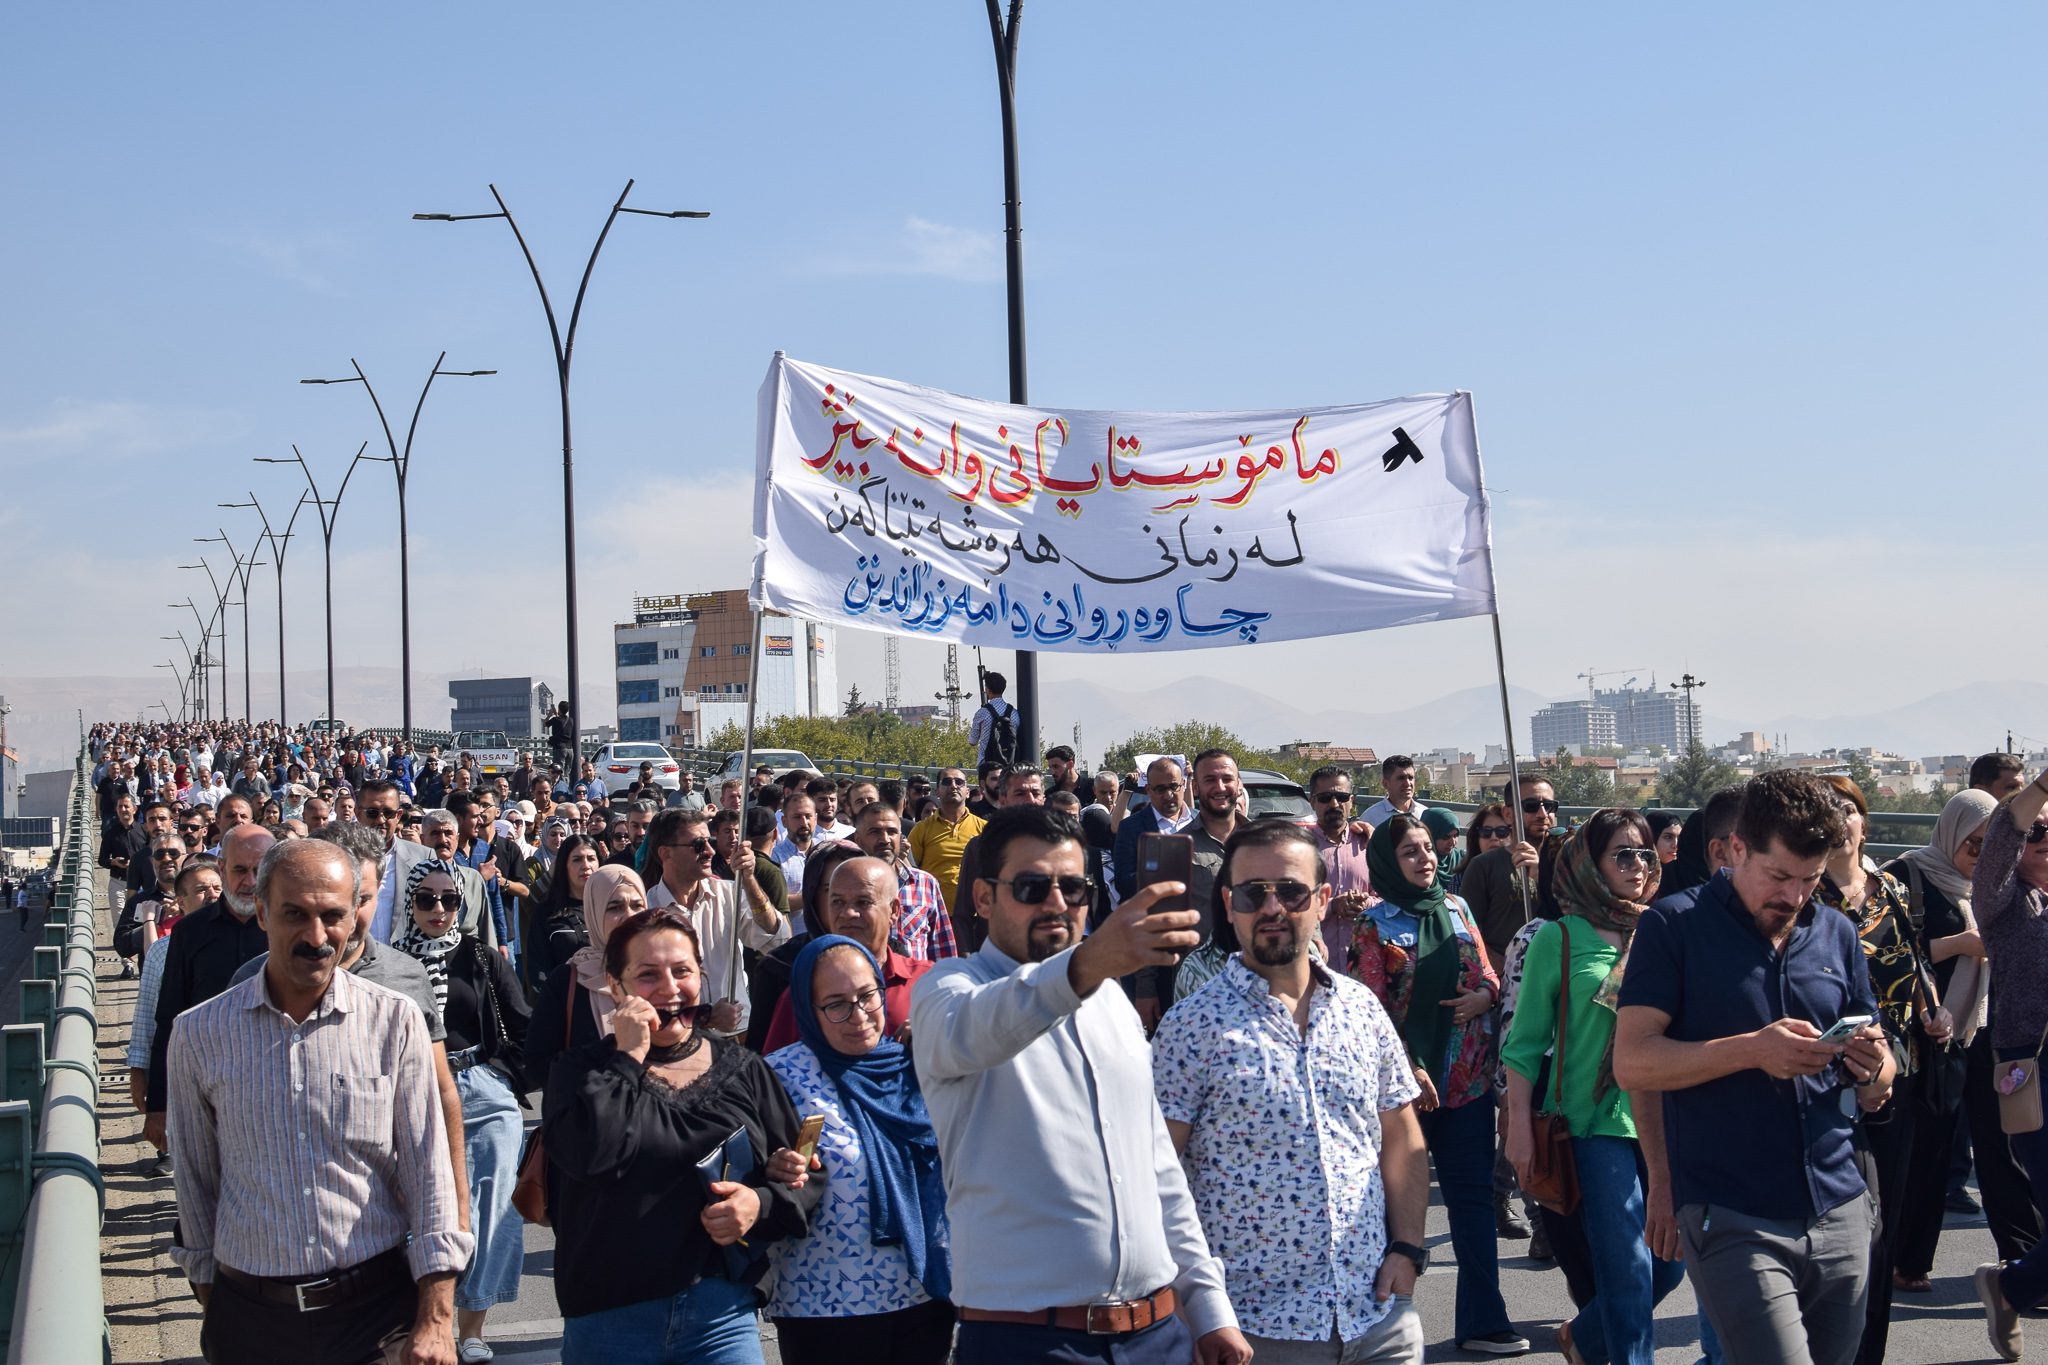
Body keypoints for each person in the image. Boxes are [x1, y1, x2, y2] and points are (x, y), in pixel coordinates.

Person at [911, 805, 1250, 1365]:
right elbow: (982, 1029)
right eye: (1032, 886)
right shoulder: (948, 990)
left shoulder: (1110, 1000)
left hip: (1157, 1333)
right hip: (1028, 1342)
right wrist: (1089, 963)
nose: (1057, 904)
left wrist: (1210, 1308)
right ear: (982, 898)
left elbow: (1158, 1165)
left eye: (1074, 887)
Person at [1614, 770, 1894, 1365]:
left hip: (1839, 1201)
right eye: (1779, 876)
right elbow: (1633, 1062)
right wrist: (1751, 1050)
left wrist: (1876, 1070)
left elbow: (1877, 1063)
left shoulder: (1837, 932)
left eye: (1811, 880)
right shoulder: (1673, 926)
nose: (1793, 897)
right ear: (1735, 848)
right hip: (1732, 1209)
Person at [166, 838, 469, 1365]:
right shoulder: (198, 1034)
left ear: (355, 917)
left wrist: (438, 1319)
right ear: (261, 913)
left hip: (377, 1319)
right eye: (294, 915)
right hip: (252, 1323)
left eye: (332, 916)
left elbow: (429, 1174)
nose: (316, 936)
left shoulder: (394, 1021)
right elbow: (195, 1182)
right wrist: (217, 1306)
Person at [1152, 821, 1431, 1364]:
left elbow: (1400, 1134)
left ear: (1323, 900)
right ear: (1230, 903)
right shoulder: (1193, 1025)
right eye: (1254, 893)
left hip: (1377, 1315)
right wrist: (1195, 1309)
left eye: (1292, 891)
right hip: (1256, 1331)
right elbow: (1157, 1173)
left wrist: (1408, 1248)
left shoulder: (1360, 1008)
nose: (1272, 907)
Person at [543, 908, 818, 1364]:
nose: (670, 989)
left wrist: (759, 1204)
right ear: (616, 987)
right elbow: (593, 1156)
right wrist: (629, 1055)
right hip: (610, 1320)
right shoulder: (579, 1071)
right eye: (648, 975)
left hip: (721, 1315)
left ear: (701, 976)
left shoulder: (744, 1067)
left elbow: (805, 1172)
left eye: (682, 971)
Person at [1503, 812, 1683, 1365]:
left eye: (1645, 854)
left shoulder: (1664, 929)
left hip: (1664, 1121)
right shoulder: (1558, 938)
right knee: (1628, 1269)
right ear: (1588, 864)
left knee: (1671, 1264)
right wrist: (1517, 1129)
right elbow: (1524, 1043)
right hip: (1591, 1123)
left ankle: (1583, 1337)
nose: (1639, 865)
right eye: (1623, 854)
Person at [1353, 814, 1525, 1355]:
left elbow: (1490, 977)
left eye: (1428, 848)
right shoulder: (1374, 926)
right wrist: (1409, 1066)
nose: (1425, 858)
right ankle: (1378, 1326)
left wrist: (1486, 997)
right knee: (1390, 1211)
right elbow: (1371, 1013)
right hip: (1404, 1092)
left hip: (1468, 1086)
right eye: (1410, 852)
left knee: (1472, 1203)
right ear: (1387, 861)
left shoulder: (1456, 907)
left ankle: (1484, 1322)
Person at [765, 935, 955, 1363]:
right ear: (808, 1010)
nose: (859, 1015)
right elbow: (750, 1170)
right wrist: (772, 1168)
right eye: (836, 1004)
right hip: (823, 1308)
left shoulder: (912, 1063)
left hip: (923, 1300)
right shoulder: (777, 1078)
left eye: (867, 995)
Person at [1813, 774, 1950, 1365]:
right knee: (1840, 1225)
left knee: (1883, 1226)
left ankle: (1869, 1352)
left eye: (1850, 809)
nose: (1842, 820)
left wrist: (1931, 1007)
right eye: (1829, 811)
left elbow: (1913, 959)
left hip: (1900, 1068)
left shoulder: (1892, 887)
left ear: (1865, 821)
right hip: (1826, 1073)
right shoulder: (1803, 893)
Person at [393, 857, 530, 1362]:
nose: (438, 909)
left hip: (482, 1086)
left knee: (493, 1211)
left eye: (449, 899)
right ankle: (431, 1321)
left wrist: (502, 1075)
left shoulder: (481, 957)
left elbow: (521, 1024)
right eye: (426, 899)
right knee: (427, 1208)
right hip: (418, 1089)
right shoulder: (389, 964)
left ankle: (472, 1328)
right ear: (409, 903)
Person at [1886, 788, 2004, 1293]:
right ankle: (1894, 1258)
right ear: (1951, 831)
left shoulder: (1989, 887)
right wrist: (1960, 943)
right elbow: (1889, 951)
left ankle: (1914, 1262)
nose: (1979, 854)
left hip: (1967, 1032)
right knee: (1911, 1152)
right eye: (1972, 843)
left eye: (1990, 844)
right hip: (1916, 1033)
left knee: (1946, 1152)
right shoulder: (1906, 875)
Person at [1969, 764, 2048, 1360]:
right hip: (2035, 1074)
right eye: (2037, 835)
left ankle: (2012, 1284)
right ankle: (2013, 1284)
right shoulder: (2005, 904)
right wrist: (2040, 791)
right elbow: (2002, 835)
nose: (2045, 844)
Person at [143, 823, 276, 1152]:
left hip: (275, 1084)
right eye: (240, 870)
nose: (249, 882)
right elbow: (168, 1018)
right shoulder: (189, 932)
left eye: (259, 870)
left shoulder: (291, 926)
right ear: (222, 868)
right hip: (206, 1085)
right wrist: (158, 1105)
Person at [761, 856, 933, 1052]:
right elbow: (772, 1073)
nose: (848, 913)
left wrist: (935, 1036)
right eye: (837, 902)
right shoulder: (803, 991)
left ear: (894, 910)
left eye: (863, 902)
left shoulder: (927, 984)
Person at [645, 808, 788, 1039]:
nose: (710, 851)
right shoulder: (647, 910)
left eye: (710, 841)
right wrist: (706, 1017)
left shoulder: (730, 894)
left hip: (736, 1036)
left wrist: (749, 879)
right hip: (677, 1039)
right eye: (698, 845)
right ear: (666, 854)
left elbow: (776, 940)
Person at [523, 864, 649, 1093]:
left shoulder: (662, 976)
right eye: (615, 907)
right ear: (595, 910)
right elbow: (538, 1064)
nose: (629, 916)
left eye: (637, 905)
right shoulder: (568, 980)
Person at [1462, 773, 1559, 974]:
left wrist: (1541, 875)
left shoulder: (1569, 863)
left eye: (1549, 806)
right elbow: (1468, 933)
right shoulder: (1484, 866)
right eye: (1531, 806)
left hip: (1559, 970)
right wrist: (1507, 969)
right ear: (1508, 815)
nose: (1542, 814)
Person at [851, 799, 956, 961]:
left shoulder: (924, 884)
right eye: (875, 832)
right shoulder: (847, 885)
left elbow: (943, 950)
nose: (885, 839)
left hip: (916, 984)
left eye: (892, 832)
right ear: (858, 839)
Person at [1307, 765, 1377, 972]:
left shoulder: (1369, 844)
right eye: (1325, 797)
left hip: (1365, 968)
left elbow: (1389, 899)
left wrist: (1367, 903)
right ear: (1312, 802)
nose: (1334, 804)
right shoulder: (1299, 848)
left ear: (1352, 801)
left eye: (1342, 797)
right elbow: (1289, 902)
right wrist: (1330, 906)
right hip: (1316, 967)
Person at [525, 833, 602, 989]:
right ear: (563, 865)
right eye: (577, 859)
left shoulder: (611, 908)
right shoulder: (547, 912)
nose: (586, 865)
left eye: (591, 858)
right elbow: (538, 969)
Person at [909, 767, 984, 910]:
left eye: (959, 782)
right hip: (934, 912)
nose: (953, 786)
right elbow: (911, 871)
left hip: (975, 913)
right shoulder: (921, 829)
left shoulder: (983, 828)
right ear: (937, 791)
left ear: (967, 792)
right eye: (947, 782)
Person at [967, 671, 1019, 768]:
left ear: (988, 689)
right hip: (1009, 765)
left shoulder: (981, 713)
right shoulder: (1014, 713)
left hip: (986, 765)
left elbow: (972, 741)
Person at [1361, 755, 1426, 828]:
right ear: (1385, 784)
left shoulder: (1424, 814)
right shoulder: (1371, 818)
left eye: (1411, 778)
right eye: (1401, 778)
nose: (1408, 783)